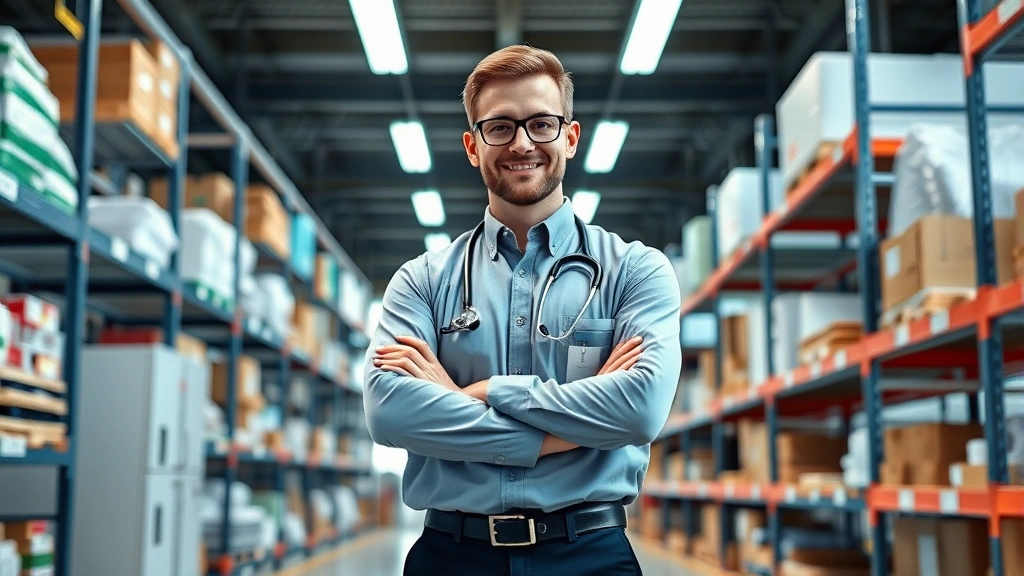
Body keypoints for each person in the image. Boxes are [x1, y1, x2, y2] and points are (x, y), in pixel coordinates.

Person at [364, 45, 682, 576]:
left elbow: (640, 409)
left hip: (590, 555)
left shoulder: (635, 270)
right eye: (500, 127)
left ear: (570, 137)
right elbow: (390, 412)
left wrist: (482, 393)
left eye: (541, 124)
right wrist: (571, 429)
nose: (522, 143)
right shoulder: (420, 280)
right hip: (451, 555)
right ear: (472, 146)